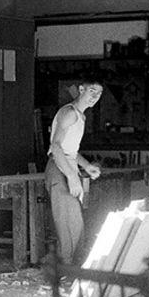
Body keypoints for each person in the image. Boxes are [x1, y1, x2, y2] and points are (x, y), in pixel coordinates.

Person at [45, 79, 104, 264]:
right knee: (67, 224)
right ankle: (65, 269)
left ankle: (73, 268)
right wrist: (71, 177)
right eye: (92, 91)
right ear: (81, 89)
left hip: (68, 167)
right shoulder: (69, 113)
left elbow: (70, 150)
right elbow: (56, 147)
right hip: (59, 168)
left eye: (99, 93)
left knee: (75, 223)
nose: (95, 97)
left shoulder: (80, 116)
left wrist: (86, 166)